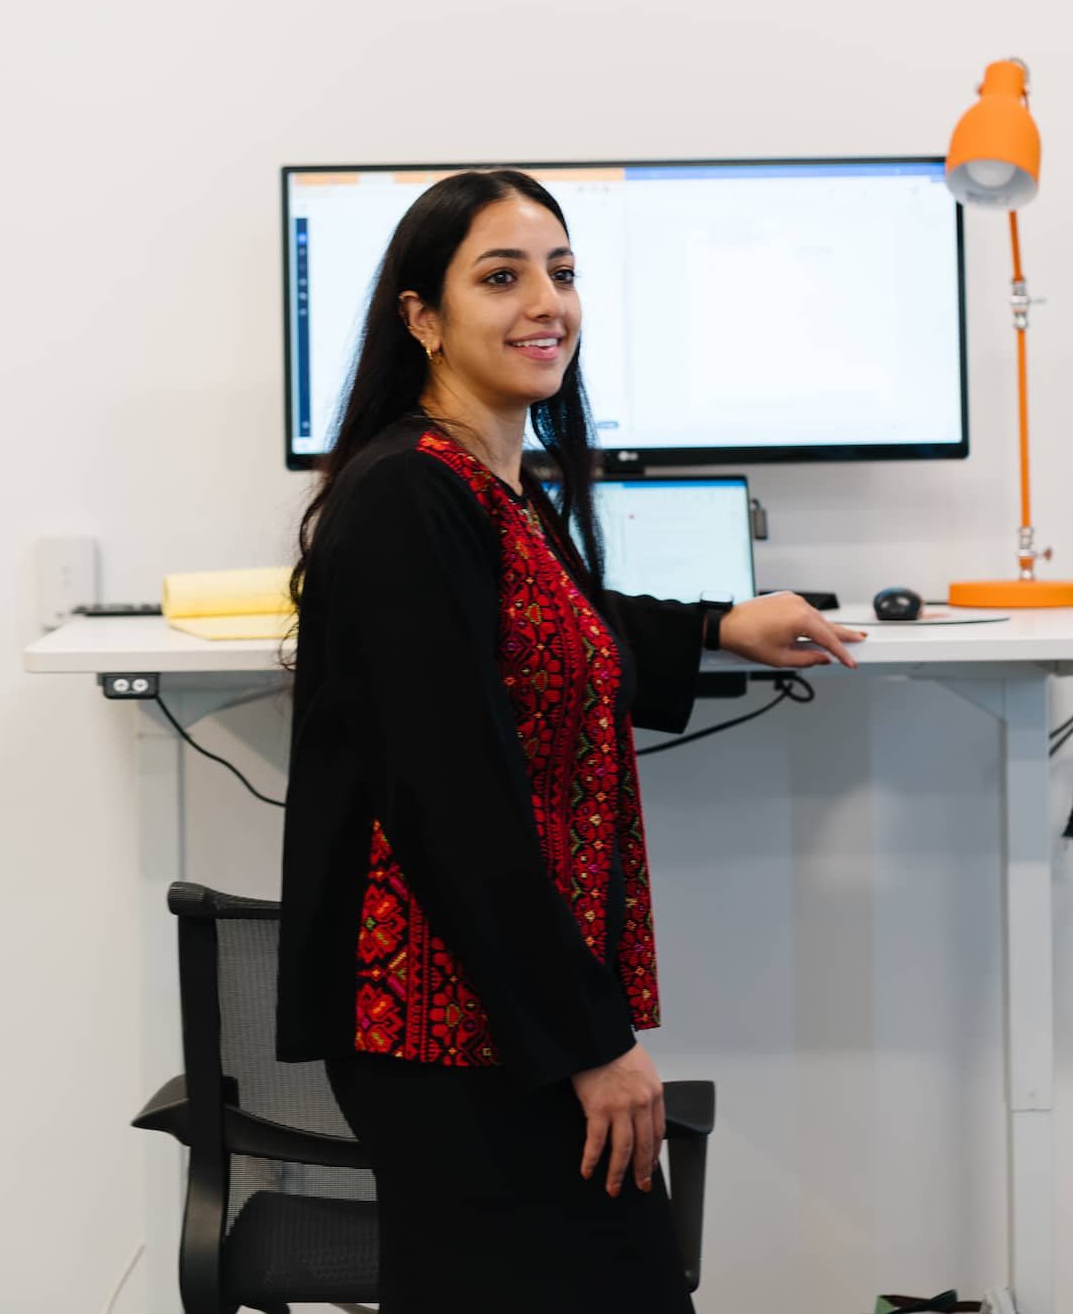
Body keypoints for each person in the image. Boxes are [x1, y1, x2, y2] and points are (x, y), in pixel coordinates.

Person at [277, 168, 865, 1312]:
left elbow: (569, 631)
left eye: (561, 271)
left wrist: (720, 622)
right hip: (453, 1032)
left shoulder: (489, 486)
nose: (545, 300)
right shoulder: (408, 497)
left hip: (493, 1015)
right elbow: (454, 803)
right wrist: (590, 1043)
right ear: (422, 318)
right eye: (500, 276)